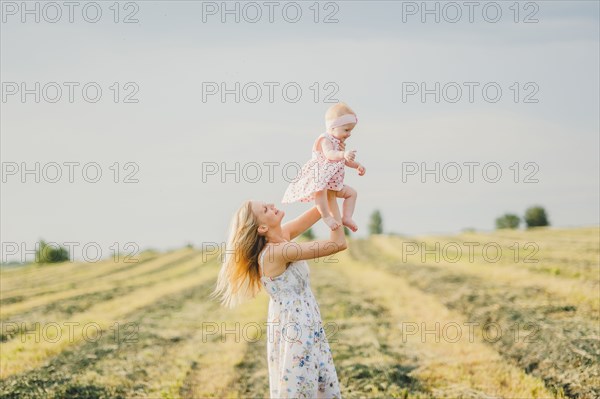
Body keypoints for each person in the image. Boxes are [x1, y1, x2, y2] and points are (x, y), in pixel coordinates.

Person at [211, 191, 347, 398]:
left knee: (313, 383)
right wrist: (333, 212)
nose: (272, 205)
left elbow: (319, 210)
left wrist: (328, 189)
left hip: (303, 323)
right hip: (297, 329)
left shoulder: (281, 237)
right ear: (262, 228)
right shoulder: (277, 252)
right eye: (265, 209)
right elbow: (338, 244)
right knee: (303, 389)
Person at [282, 102, 366, 232]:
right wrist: (343, 153)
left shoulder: (339, 143)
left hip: (334, 183)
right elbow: (330, 154)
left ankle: (347, 217)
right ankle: (326, 216)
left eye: (351, 130)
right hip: (321, 177)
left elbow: (343, 160)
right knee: (320, 193)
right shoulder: (325, 139)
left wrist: (357, 165)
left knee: (352, 193)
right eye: (346, 130)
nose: (349, 134)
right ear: (333, 128)